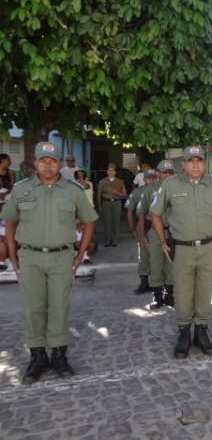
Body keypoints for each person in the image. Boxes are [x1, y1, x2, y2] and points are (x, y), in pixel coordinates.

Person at [1, 142, 97, 384]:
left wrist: (78, 256)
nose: (47, 164)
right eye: (43, 160)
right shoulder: (20, 189)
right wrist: (13, 258)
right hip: (30, 257)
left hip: (61, 258)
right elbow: (10, 223)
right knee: (34, 308)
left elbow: (89, 222)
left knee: (59, 306)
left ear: (60, 164)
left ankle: (59, 355)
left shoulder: (73, 191)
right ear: (35, 163)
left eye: (52, 161)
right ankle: (37, 357)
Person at [151, 146, 212, 359]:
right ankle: (183, 333)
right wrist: (163, 240)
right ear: (184, 165)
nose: (196, 164)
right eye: (191, 161)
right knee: (182, 292)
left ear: (204, 163)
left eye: (199, 160)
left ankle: (201, 331)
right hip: (182, 248)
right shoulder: (170, 185)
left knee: (205, 290)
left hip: (209, 248)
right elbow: (155, 213)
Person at [137, 160, 175, 309]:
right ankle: (157, 296)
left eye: (170, 172)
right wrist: (143, 235)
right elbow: (141, 214)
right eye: (164, 172)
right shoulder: (148, 190)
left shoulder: (179, 190)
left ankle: (170, 296)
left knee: (171, 264)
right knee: (156, 263)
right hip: (153, 232)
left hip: (173, 232)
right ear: (158, 173)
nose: (167, 175)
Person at [126, 169, 156, 295]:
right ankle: (144, 283)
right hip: (144, 225)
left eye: (154, 177)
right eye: (149, 178)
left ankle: (162, 284)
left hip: (158, 225)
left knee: (160, 254)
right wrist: (133, 227)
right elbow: (129, 210)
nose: (152, 180)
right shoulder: (137, 192)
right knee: (143, 255)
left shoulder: (162, 189)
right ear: (144, 180)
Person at [97, 164, 127, 247]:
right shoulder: (102, 181)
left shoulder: (120, 181)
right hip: (106, 203)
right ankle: (107, 240)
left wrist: (118, 193)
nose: (111, 172)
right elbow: (99, 195)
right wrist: (99, 206)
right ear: (107, 172)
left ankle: (115, 240)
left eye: (113, 170)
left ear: (115, 172)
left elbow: (125, 194)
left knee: (116, 222)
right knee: (107, 223)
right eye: (109, 170)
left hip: (116, 203)